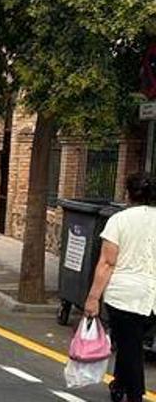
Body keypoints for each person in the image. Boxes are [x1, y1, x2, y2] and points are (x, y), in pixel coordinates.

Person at [84, 172, 156, 402]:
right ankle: (119, 384)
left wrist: (93, 298)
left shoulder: (119, 220)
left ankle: (135, 395)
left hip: (124, 294)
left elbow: (107, 262)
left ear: (128, 194)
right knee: (130, 342)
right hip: (151, 296)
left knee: (130, 347)